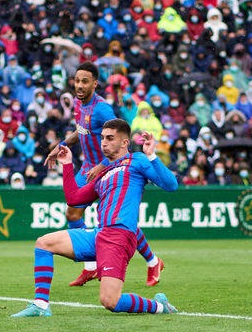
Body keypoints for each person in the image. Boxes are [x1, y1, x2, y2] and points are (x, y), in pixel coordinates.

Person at [11, 120, 178, 317]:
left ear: (125, 142)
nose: (104, 143)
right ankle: (40, 306)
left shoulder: (138, 160)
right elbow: (74, 199)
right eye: (102, 138)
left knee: (110, 301)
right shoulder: (102, 174)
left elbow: (171, 184)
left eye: (110, 138)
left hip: (119, 236)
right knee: (44, 243)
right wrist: (67, 165)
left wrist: (152, 156)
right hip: (100, 233)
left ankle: (160, 306)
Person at [44, 62, 164, 287]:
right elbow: (79, 131)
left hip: (107, 168)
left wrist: (103, 164)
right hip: (87, 169)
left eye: (85, 81)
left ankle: (152, 261)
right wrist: (59, 145)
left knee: (119, 220)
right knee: (72, 212)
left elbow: (119, 136)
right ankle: (90, 266)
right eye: (77, 81)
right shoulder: (79, 106)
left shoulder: (102, 108)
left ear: (95, 83)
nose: (79, 85)